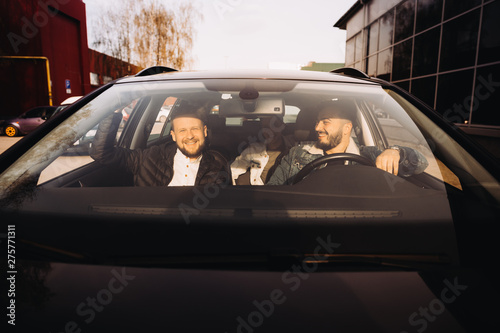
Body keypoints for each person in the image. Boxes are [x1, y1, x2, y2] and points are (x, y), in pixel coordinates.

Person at [267, 100, 429, 185]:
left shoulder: (370, 156)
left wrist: (396, 151)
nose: (317, 127)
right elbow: (273, 192)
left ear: (347, 128)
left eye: (325, 122)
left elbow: (421, 163)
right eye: (317, 121)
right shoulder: (297, 153)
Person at [90, 102, 229, 186]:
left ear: (204, 131)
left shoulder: (218, 165)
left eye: (195, 129)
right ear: (173, 136)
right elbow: (102, 153)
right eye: (182, 131)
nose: (190, 136)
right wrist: (114, 112)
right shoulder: (149, 157)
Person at [230, 116, 295, 185]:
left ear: (282, 126)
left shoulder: (295, 147)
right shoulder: (253, 150)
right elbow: (234, 171)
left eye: (274, 125)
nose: (271, 131)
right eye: (266, 127)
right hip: (260, 193)